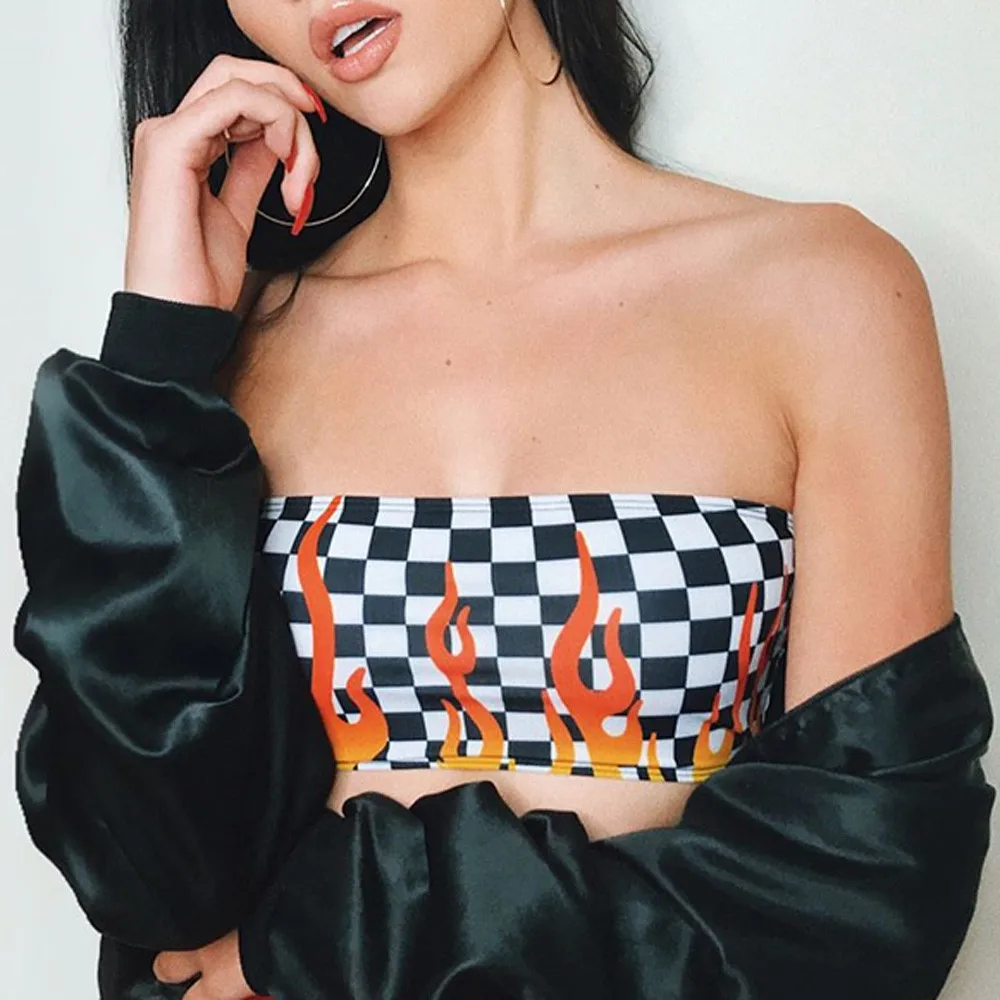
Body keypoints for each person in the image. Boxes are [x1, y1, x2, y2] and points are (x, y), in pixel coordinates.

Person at [11, 2, 995, 999]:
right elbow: (147, 878)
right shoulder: (229, 356)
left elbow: (871, 882)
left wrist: (343, 937)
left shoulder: (820, 293)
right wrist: (156, 369)